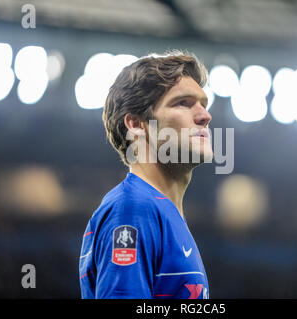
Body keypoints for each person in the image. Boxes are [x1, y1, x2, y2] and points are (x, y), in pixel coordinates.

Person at [79, 50, 213, 299]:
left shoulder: (159, 210)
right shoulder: (133, 208)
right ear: (137, 124)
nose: (205, 116)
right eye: (183, 103)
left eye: (203, 104)